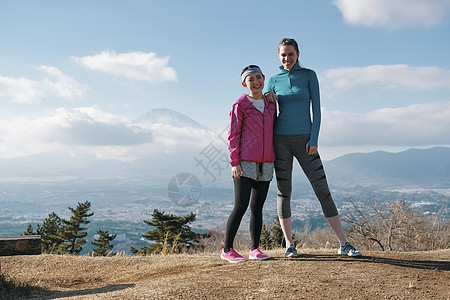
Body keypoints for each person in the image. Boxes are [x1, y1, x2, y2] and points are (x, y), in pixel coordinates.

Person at [266, 38, 361, 258]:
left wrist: (314, 139)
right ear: (278, 56)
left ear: (298, 54)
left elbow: (316, 110)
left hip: (306, 141)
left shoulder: (309, 75)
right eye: (283, 55)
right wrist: (268, 99)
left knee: (322, 190)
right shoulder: (272, 80)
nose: (287, 58)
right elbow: (268, 113)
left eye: (290, 54)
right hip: (279, 140)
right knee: (284, 193)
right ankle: (289, 245)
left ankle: (344, 244)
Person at [221, 65, 277, 263]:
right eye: (251, 79)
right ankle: (227, 249)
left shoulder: (271, 103)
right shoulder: (240, 104)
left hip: (267, 162)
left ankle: (255, 249)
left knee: (257, 208)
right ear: (244, 84)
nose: (256, 82)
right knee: (241, 206)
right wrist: (235, 162)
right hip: (244, 162)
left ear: (264, 78)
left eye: (259, 77)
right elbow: (233, 135)